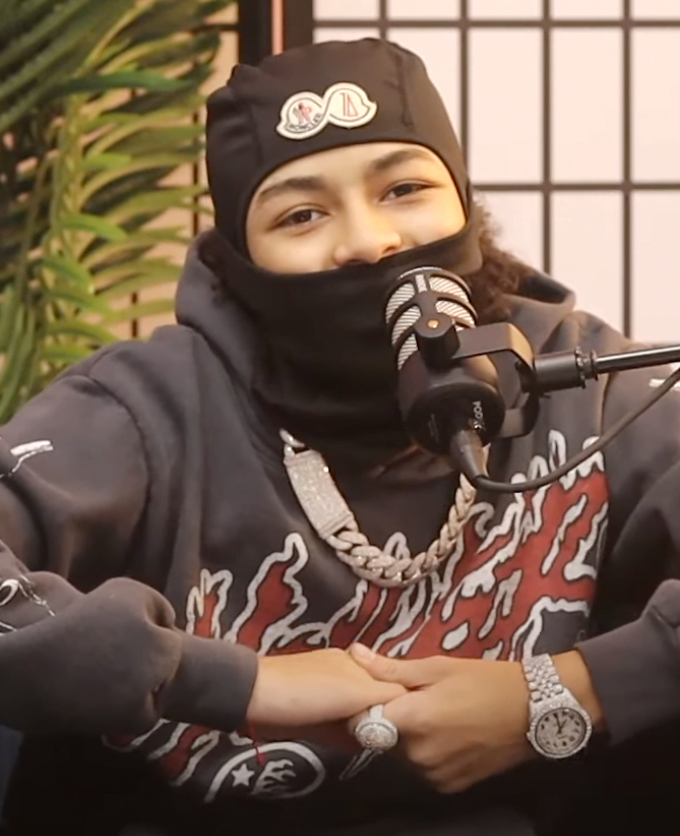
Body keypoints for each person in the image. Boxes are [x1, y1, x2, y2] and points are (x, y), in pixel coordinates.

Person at [3, 36, 680, 836]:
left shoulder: (589, 386)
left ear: (464, 204)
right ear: (240, 258)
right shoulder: (145, 409)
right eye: (301, 214)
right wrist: (230, 682)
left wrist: (567, 692)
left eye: (404, 188)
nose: (367, 240)